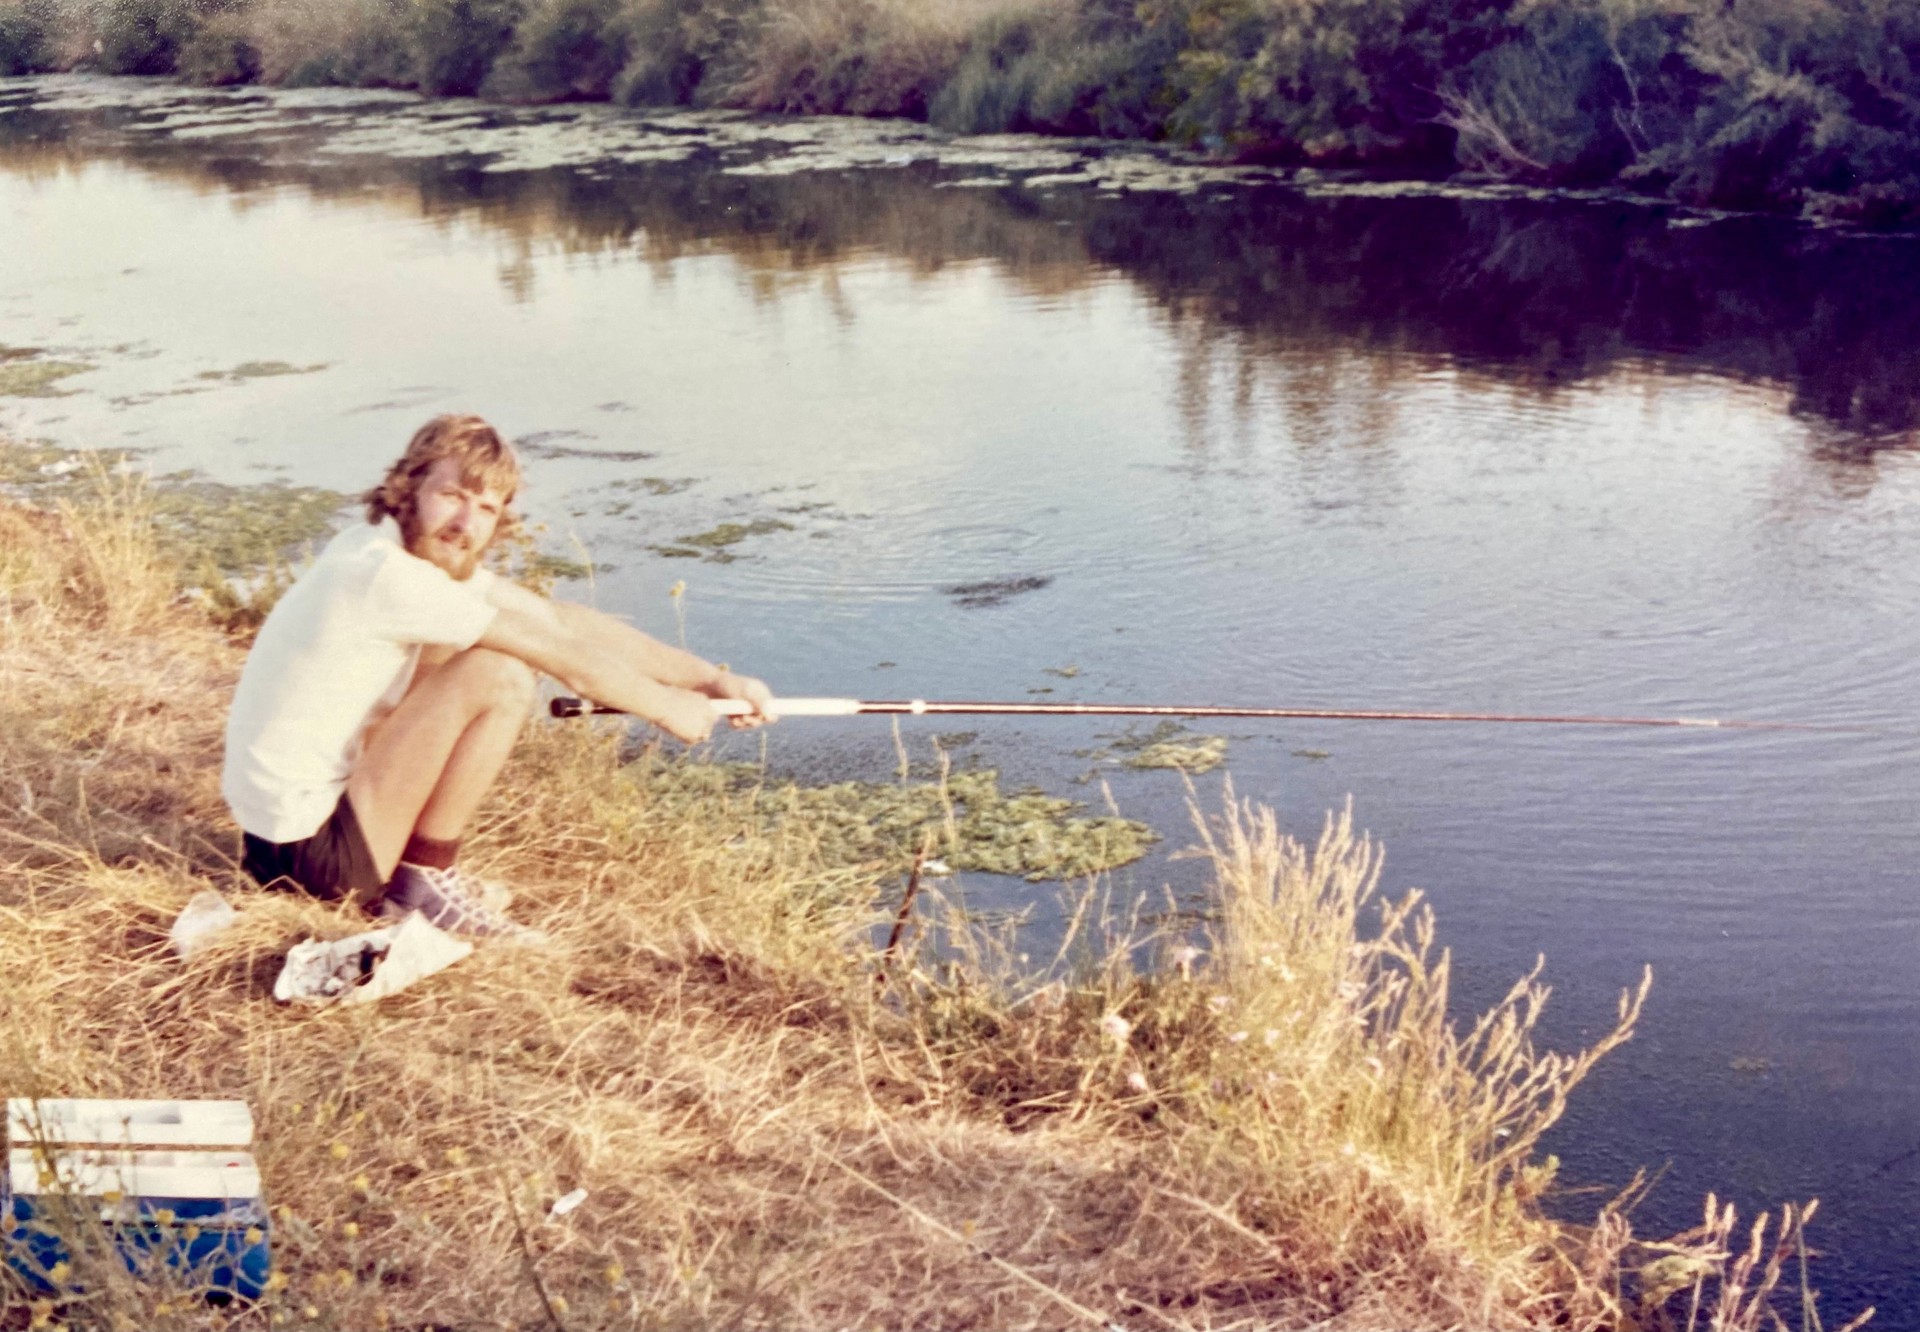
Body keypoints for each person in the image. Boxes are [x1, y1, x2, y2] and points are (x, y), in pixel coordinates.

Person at [222, 414, 775, 936]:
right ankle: (423, 883)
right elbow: (564, 658)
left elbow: (559, 621)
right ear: (406, 488)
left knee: (461, 648)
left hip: (277, 842)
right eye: (451, 496)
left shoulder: (380, 551)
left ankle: (408, 873)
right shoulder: (388, 577)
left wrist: (710, 681)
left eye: (485, 508)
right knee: (498, 672)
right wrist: (666, 707)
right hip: (312, 860)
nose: (466, 524)